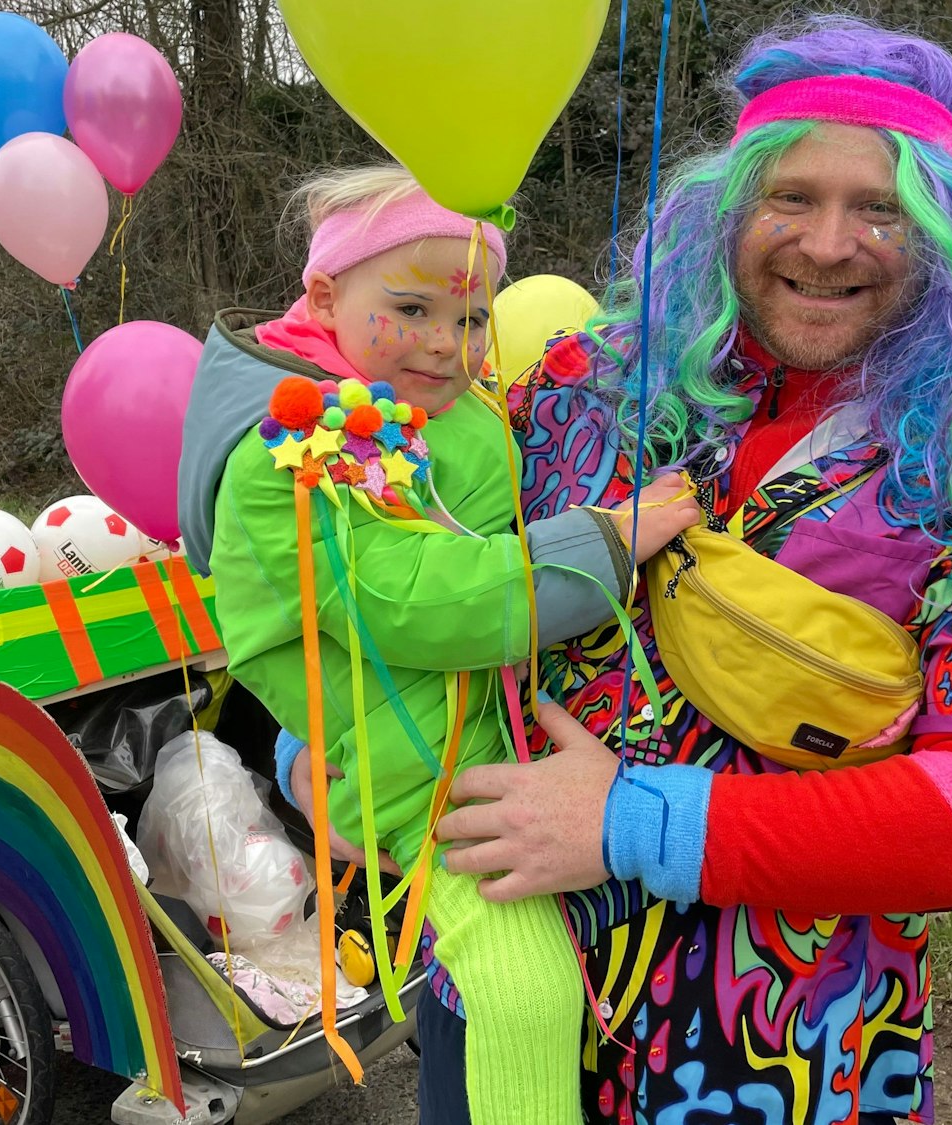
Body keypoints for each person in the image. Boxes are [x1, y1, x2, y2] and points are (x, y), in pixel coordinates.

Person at [387, 15, 952, 1123]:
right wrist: (326, 743)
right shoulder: (583, 386)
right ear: (724, 210)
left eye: (880, 207)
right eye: (790, 198)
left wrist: (629, 823)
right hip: (496, 987)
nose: (827, 245)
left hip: (775, 1054)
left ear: (948, 235)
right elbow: (413, 564)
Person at [175, 165, 700, 1124]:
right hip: (428, 784)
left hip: (489, 744)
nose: (443, 344)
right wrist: (607, 543)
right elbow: (411, 597)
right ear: (326, 296)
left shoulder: (445, 410)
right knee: (521, 989)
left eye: (468, 320)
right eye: (410, 307)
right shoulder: (294, 452)